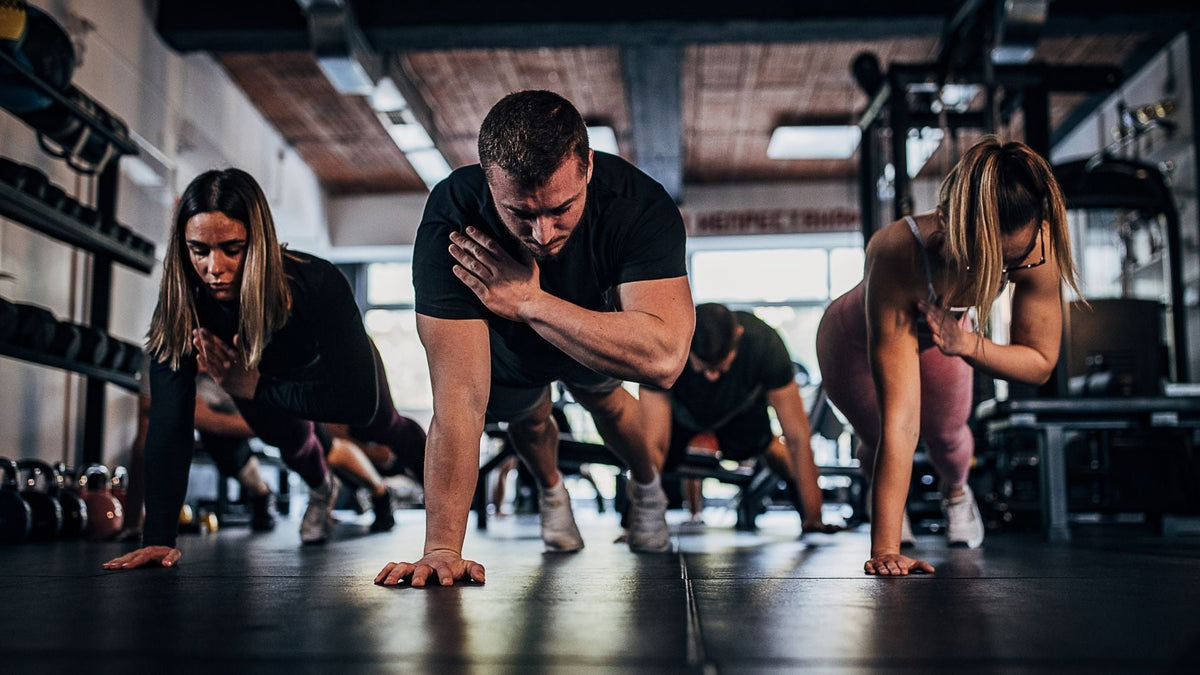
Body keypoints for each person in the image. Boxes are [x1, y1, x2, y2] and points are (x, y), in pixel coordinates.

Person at [375, 90, 694, 587]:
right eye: (521, 213)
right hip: (505, 338)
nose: (543, 234)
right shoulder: (454, 216)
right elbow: (458, 402)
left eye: (561, 209)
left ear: (588, 166)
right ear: (488, 178)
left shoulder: (637, 205)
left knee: (608, 404)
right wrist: (441, 548)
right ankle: (551, 493)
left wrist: (528, 300)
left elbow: (665, 358)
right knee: (529, 418)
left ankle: (648, 490)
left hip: (591, 324)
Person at [103, 168, 416, 570]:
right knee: (284, 435)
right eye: (199, 250)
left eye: (232, 249)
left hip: (332, 368)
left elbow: (357, 404)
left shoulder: (315, 280)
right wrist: (159, 537)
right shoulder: (184, 307)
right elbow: (169, 420)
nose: (214, 267)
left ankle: (446, 525)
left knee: (383, 423)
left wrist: (255, 387)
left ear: (260, 243)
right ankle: (322, 490)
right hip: (259, 378)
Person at [815, 137, 1081, 576]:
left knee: (949, 438)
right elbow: (902, 420)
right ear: (949, 223)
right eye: (987, 259)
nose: (998, 273)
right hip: (852, 342)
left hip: (940, 333)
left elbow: (1038, 363)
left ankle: (956, 492)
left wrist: (965, 345)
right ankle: (889, 514)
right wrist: (885, 551)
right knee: (879, 432)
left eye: (1007, 264)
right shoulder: (896, 249)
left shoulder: (1038, 245)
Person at [641, 303, 842, 534]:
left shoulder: (764, 344)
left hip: (739, 414)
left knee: (775, 448)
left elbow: (797, 436)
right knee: (642, 454)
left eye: (720, 366)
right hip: (680, 415)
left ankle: (808, 513)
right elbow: (652, 443)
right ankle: (636, 518)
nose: (713, 376)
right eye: (704, 367)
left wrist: (815, 518)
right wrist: (643, 521)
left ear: (738, 336)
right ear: (685, 343)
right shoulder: (664, 345)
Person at [116, 369, 278, 543]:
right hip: (192, 411)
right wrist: (134, 526)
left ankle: (262, 492)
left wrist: (208, 420)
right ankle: (136, 523)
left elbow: (271, 426)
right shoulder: (161, 355)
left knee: (227, 451)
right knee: (156, 429)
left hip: (233, 417)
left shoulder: (245, 360)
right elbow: (147, 420)